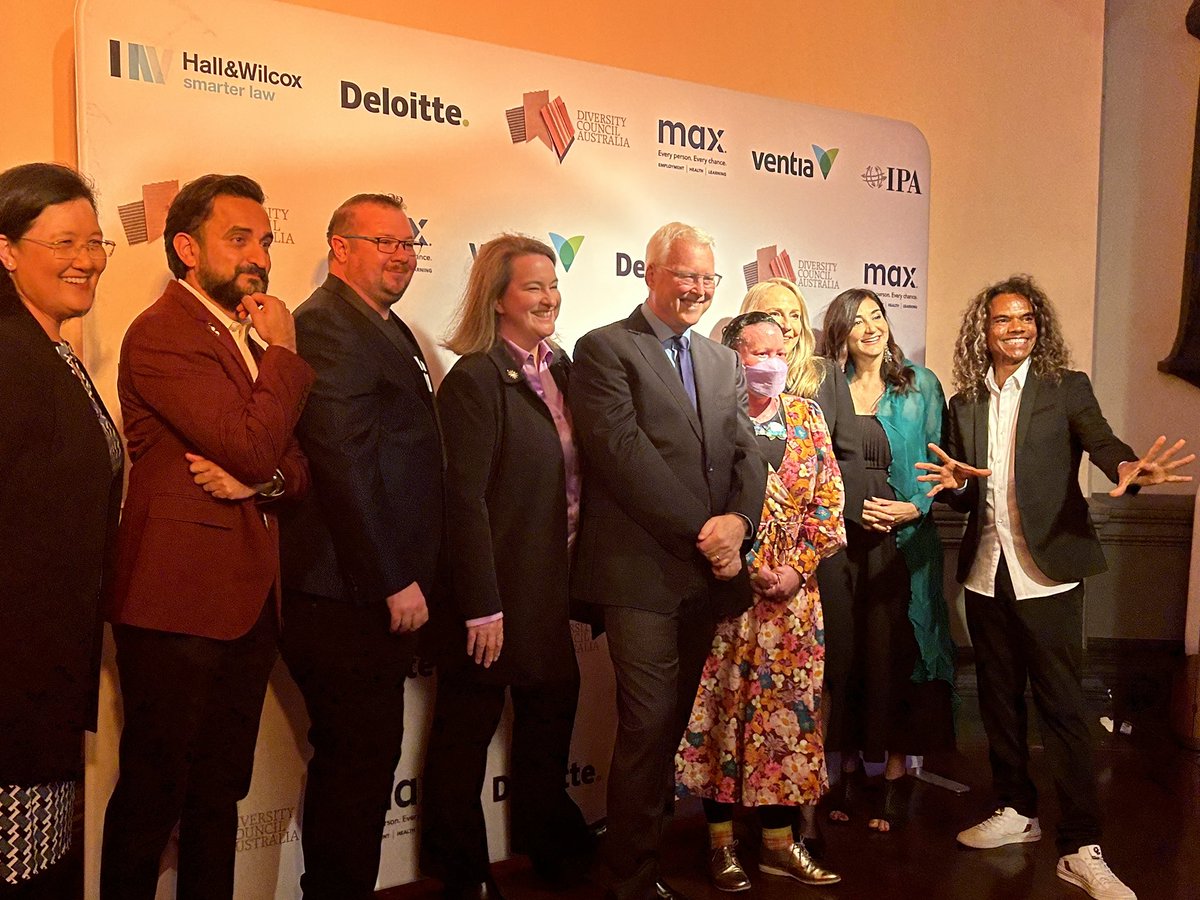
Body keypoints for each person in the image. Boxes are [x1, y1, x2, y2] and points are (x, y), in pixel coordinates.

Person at [918, 275, 1192, 900]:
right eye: (1002, 319)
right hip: (988, 576)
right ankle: (1017, 811)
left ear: (1037, 326)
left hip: (1050, 575)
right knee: (998, 703)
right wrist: (954, 482)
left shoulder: (1066, 388)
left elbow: (1103, 441)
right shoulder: (963, 404)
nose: (1016, 327)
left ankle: (1081, 846)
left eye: (1026, 318)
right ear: (981, 332)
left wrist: (1128, 467)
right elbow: (962, 488)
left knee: (1066, 712)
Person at [100, 174, 314, 900]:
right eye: (239, 238)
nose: (259, 255)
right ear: (187, 248)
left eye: (264, 240)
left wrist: (265, 483)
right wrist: (283, 352)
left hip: (247, 601)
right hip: (176, 601)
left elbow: (287, 467)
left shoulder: (238, 338)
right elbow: (256, 445)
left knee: (218, 793)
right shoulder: (163, 331)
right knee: (155, 792)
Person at [569, 222, 766, 900]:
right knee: (647, 729)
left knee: (669, 729)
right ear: (650, 273)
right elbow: (622, 457)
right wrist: (705, 532)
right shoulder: (604, 349)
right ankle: (625, 882)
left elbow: (747, 454)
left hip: (706, 580)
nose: (698, 289)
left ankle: (644, 868)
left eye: (708, 279)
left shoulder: (720, 360)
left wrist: (739, 523)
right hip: (640, 578)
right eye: (685, 275)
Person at [278, 193, 443, 900]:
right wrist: (391, 580)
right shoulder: (326, 326)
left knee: (368, 763)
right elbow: (343, 461)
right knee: (356, 765)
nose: (401, 254)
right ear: (338, 246)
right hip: (345, 594)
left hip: (372, 588)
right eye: (384, 241)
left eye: (408, 243)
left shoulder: (385, 325)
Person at [421, 235, 593, 899]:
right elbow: (462, 501)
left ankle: (549, 855)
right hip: (495, 598)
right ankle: (461, 875)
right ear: (497, 299)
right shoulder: (475, 378)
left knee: (550, 727)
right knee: (464, 741)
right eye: (532, 287)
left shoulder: (565, 370)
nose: (549, 297)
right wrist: (481, 605)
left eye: (552, 284)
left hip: (551, 589)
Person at [676, 311, 844, 891]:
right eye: (755, 352)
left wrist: (797, 570)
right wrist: (741, 567)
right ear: (731, 357)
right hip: (725, 597)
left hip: (794, 608)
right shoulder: (710, 419)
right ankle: (720, 845)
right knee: (722, 719)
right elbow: (692, 502)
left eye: (779, 350)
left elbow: (829, 501)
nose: (769, 362)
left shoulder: (807, 416)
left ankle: (779, 845)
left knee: (787, 727)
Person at [0, 163, 122, 895]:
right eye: (63, 242)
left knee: (43, 857)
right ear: (7, 249)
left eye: (95, 241)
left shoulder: (50, 350)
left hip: (47, 660)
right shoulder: (9, 354)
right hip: (14, 669)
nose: (86, 259)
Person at [820, 288, 956, 833]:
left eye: (878, 316)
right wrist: (849, 512)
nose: (871, 328)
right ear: (842, 334)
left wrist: (914, 507)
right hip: (841, 546)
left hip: (904, 544)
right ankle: (849, 768)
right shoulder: (829, 387)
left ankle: (895, 774)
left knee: (897, 654)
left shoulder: (921, 384)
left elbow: (940, 461)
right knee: (848, 656)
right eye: (858, 322)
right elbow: (816, 463)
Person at [738, 277, 864, 846]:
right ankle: (729, 835)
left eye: (789, 320)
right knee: (731, 707)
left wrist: (799, 564)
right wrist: (740, 561)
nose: (779, 334)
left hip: (803, 579)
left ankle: (794, 828)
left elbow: (829, 486)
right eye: (766, 322)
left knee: (798, 708)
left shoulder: (815, 400)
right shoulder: (716, 406)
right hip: (733, 587)